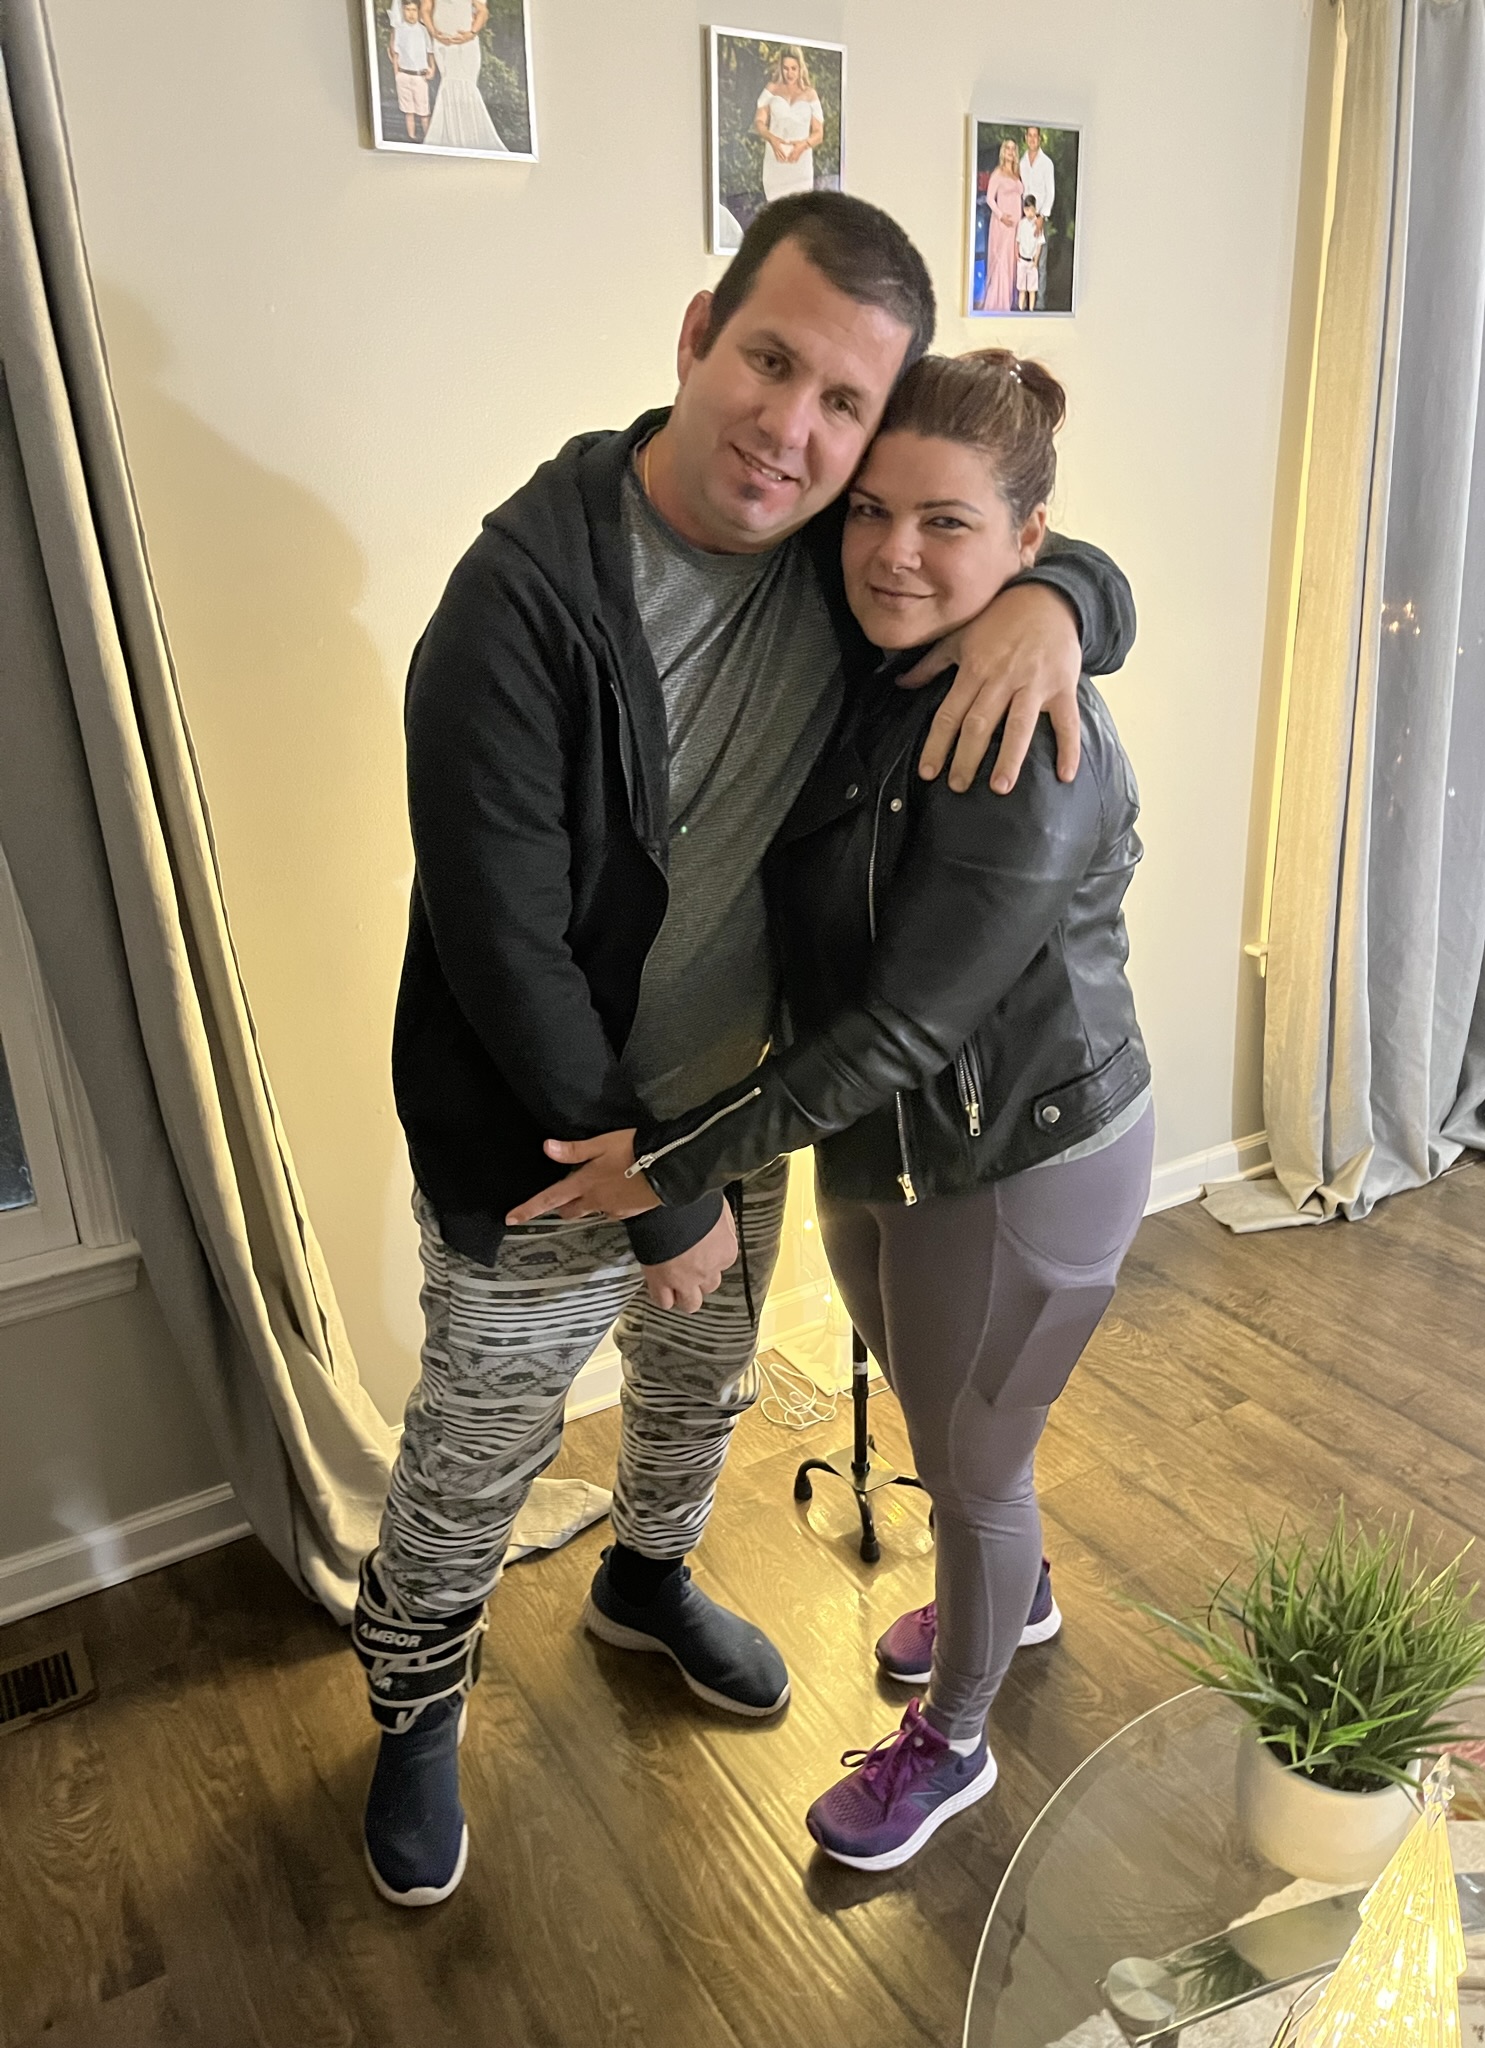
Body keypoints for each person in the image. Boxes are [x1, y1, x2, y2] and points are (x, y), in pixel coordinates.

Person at [355, 194, 1136, 1909]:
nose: (793, 429)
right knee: (479, 1450)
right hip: (553, 1142)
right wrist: (658, 1193)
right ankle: (414, 1705)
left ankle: (644, 1582)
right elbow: (505, 950)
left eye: (842, 402)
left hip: (733, 1104)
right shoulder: (518, 601)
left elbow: (981, 531)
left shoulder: (831, 553)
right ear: (699, 333)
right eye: (771, 362)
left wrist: (1065, 598)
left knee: (697, 1388)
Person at [511, 349, 1153, 1871]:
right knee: (948, 1418)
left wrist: (668, 1163)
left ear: (1026, 537)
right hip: (892, 1144)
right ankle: (1014, 1588)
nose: (892, 553)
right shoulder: (884, 649)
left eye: (947, 524)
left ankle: (957, 1742)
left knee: (974, 1465)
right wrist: (1068, 593)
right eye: (871, 511)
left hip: (1012, 1158)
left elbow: (910, 1026)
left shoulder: (1026, 740)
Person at [421, 0, 506, 154]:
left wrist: (471, 33)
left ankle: (471, 141)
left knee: (467, 87)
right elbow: (425, 9)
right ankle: (451, 140)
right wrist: (434, 32)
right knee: (448, 86)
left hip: (467, 44)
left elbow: (482, 11)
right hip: (443, 44)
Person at [754, 46, 824, 210]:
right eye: (786, 68)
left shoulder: (810, 94)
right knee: (775, 210)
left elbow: (819, 133)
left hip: (800, 162)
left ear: (800, 69)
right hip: (776, 160)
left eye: (793, 68)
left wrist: (803, 145)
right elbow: (759, 122)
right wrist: (772, 139)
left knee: (800, 211)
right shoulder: (772, 89)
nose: (789, 73)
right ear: (781, 68)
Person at [981, 138, 1023, 312]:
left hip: (1017, 226)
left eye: (1013, 149)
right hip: (1003, 224)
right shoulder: (998, 173)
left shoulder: (1017, 174)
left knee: (1012, 262)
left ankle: (1009, 303)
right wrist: (1001, 216)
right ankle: (998, 304)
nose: (1010, 152)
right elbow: (990, 199)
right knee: (1002, 262)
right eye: (1007, 148)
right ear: (1003, 151)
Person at [388, 0, 436, 145]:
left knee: (423, 111)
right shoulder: (399, 30)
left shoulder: (423, 30)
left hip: (419, 76)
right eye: (408, 10)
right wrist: (397, 74)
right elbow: (396, 53)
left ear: (418, 11)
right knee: (409, 111)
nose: (411, 14)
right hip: (404, 74)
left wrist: (432, 68)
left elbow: (430, 51)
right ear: (403, 10)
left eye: (414, 10)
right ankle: (412, 137)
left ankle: (428, 139)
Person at [1019, 125, 1056, 308]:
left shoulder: (1046, 163)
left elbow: (1050, 192)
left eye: (1036, 136)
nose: (1032, 139)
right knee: (1023, 260)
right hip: (1025, 219)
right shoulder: (1022, 162)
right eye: (1030, 135)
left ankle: (1039, 305)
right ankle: (1023, 304)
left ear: (1039, 138)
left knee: (1039, 263)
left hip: (1040, 219)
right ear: (1026, 137)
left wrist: (1042, 216)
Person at [1017, 196, 1045, 312]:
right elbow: (1018, 240)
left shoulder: (1037, 225)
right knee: (1022, 289)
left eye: (1032, 210)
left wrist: (1036, 260)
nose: (1030, 213)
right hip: (1022, 260)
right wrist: (1017, 255)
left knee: (1032, 289)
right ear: (1024, 210)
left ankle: (1031, 310)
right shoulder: (1021, 223)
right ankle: (1020, 309)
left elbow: (1039, 244)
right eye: (1027, 210)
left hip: (1031, 261)